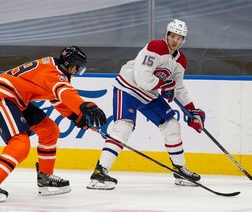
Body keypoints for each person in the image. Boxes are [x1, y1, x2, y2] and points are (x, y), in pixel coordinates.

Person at [87, 19, 205, 190]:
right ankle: (99, 173)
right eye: (172, 36)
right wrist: (165, 86)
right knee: (123, 127)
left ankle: (179, 171)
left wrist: (192, 111)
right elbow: (143, 78)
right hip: (128, 88)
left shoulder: (181, 61)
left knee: (172, 126)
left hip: (149, 94)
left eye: (180, 38)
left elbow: (178, 88)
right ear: (166, 35)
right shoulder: (155, 47)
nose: (175, 41)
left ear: (183, 40)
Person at [0, 46, 106, 202]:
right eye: (78, 67)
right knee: (20, 144)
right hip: (4, 95)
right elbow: (64, 92)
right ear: (72, 64)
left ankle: (45, 178)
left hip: (17, 99)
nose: (77, 71)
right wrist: (83, 106)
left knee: (50, 130)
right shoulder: (54, 73)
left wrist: (76, 117)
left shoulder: (52, 67)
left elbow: (57, 98)